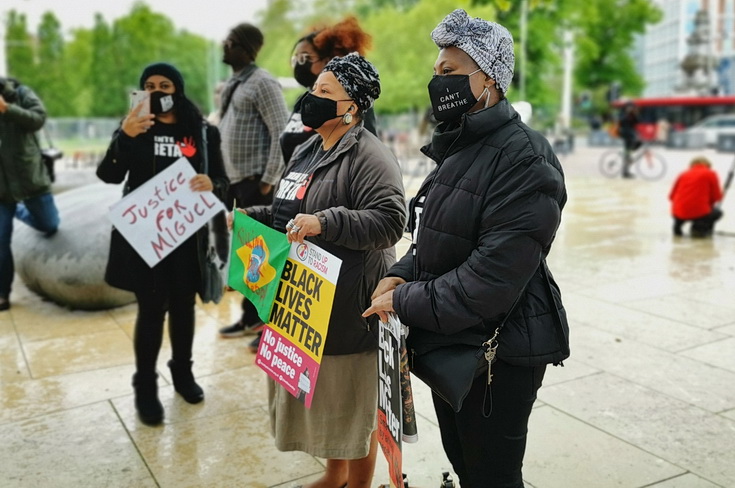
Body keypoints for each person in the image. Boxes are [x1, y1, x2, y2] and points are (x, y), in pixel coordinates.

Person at [363, 10, 569, 488]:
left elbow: (491, 279)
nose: (438, 83)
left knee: (491, 474)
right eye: (436, 73)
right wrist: (403, 273)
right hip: (451, 339)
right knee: (464, 460)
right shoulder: (459, 146)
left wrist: (402, 300)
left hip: (500, 353)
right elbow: (437, 239)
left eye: (450, 73)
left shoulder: (524, 155)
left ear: (490, 80)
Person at [240, 53, 406, 488]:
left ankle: (359, 485)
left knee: (354, 410)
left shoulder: (370, 155)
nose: (311, 99)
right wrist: (244, 216)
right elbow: (286, 212)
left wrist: (327, 222)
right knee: (327, 406)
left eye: (324, 93)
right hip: (305, 303)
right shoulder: (309, 148)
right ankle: (334, 478)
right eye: (314, 89)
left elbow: (391, 221)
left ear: (352, 106)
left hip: (349, 307)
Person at [97, 62, 229, 426]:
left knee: (184, 308)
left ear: (179, 90)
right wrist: (124, 135)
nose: (158, 91)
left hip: (187, 239)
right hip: (145, 240)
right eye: (150, 85)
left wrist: (212, 184)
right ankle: (144, 384)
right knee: (151, 309)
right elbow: (108, 174)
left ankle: (182, 372)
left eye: (165, 85)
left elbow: (222, 181)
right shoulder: (134, 128)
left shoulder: (202, 132)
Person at [246, 16, 375, 353]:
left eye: (307, 58)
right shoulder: (306, 117)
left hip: (331, 281)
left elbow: (383, 215)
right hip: (291, 274)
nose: (300, 64)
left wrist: (323, 220)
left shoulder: (361, 138)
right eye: (297, 58)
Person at [217, 22, 290, 339]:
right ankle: (251, 317)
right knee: (243, 252)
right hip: (235, 181)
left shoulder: (263, 83)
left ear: (244, 47)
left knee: (257, 254)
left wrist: (267, 180)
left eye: (230, 41)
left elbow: (281, 131)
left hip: (255, 184)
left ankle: (259, 318)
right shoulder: (235, 82)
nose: (224, 45)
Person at [0, 76, 60, 312]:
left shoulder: (20, 93)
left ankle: (21, 211)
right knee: (1, 241)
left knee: (49, 225)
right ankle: (3, 293)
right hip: (1, 189)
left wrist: (7, 110)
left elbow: (38, 119)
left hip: (29, 179)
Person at [669, 156, 723, 237]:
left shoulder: (683, 174)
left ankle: (677, 228)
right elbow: (717, 197)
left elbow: (671, 196)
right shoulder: (711, 173)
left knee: (682, 216)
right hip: (699, 212)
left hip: (678, 212)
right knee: (717, 213)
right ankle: (698, 230)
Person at [618, 102, 640, 178]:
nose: (630, 109)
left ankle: (627, 168)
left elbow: (637, 122)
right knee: (627, 154)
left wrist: (634, 113)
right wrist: (627, 113)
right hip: (626, 134)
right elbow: (621, 121)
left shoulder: (632, 115)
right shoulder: (623, 114)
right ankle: (625, 172)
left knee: (637, 144)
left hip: (631, 135)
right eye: (629, 107)